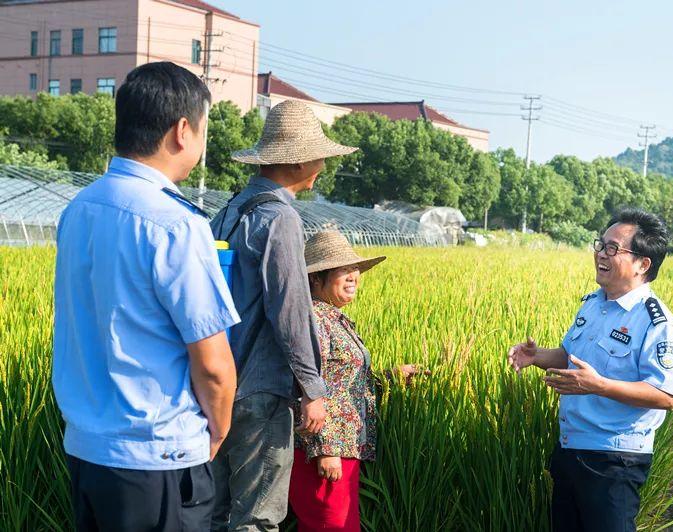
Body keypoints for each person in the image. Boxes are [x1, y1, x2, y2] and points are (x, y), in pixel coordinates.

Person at [53, 62, 240, 531]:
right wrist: (218, 430)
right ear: (182, 131)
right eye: (203, 130)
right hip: (158, 456)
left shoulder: (79, 209)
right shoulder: (177, 225)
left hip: (87, 450)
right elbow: (213, 365)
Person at [209, 101, 358, 531]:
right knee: (256, 519)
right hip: (259, 387)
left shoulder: (228, 212)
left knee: (214, 514)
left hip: (216, 381)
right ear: (296, 160)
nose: (324, 165)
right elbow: (289, 307)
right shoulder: (280, 217)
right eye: (319, 155)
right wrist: (312, 387)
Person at [507, 208, 673, 532]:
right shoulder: (593, 303)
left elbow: (666, 395)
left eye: (613, 248)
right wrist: (537, 356)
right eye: (600, 244)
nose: (601, 253)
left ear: (643, 264)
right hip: (570, 449)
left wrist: (599, 385)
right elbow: (570, 358)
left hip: (615, 461)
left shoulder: (656, 322)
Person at [289, 230, 420, 532]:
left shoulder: (331, 317)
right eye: (342, 270)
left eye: (355, 269)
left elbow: (340, 379)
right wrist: (326, 448)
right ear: (315, 278)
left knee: (338, 525)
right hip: (323, 448)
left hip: (344, 446)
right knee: (329, 526)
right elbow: (308, 384)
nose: (353, 276)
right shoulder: (315, 319)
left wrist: (391, 376)